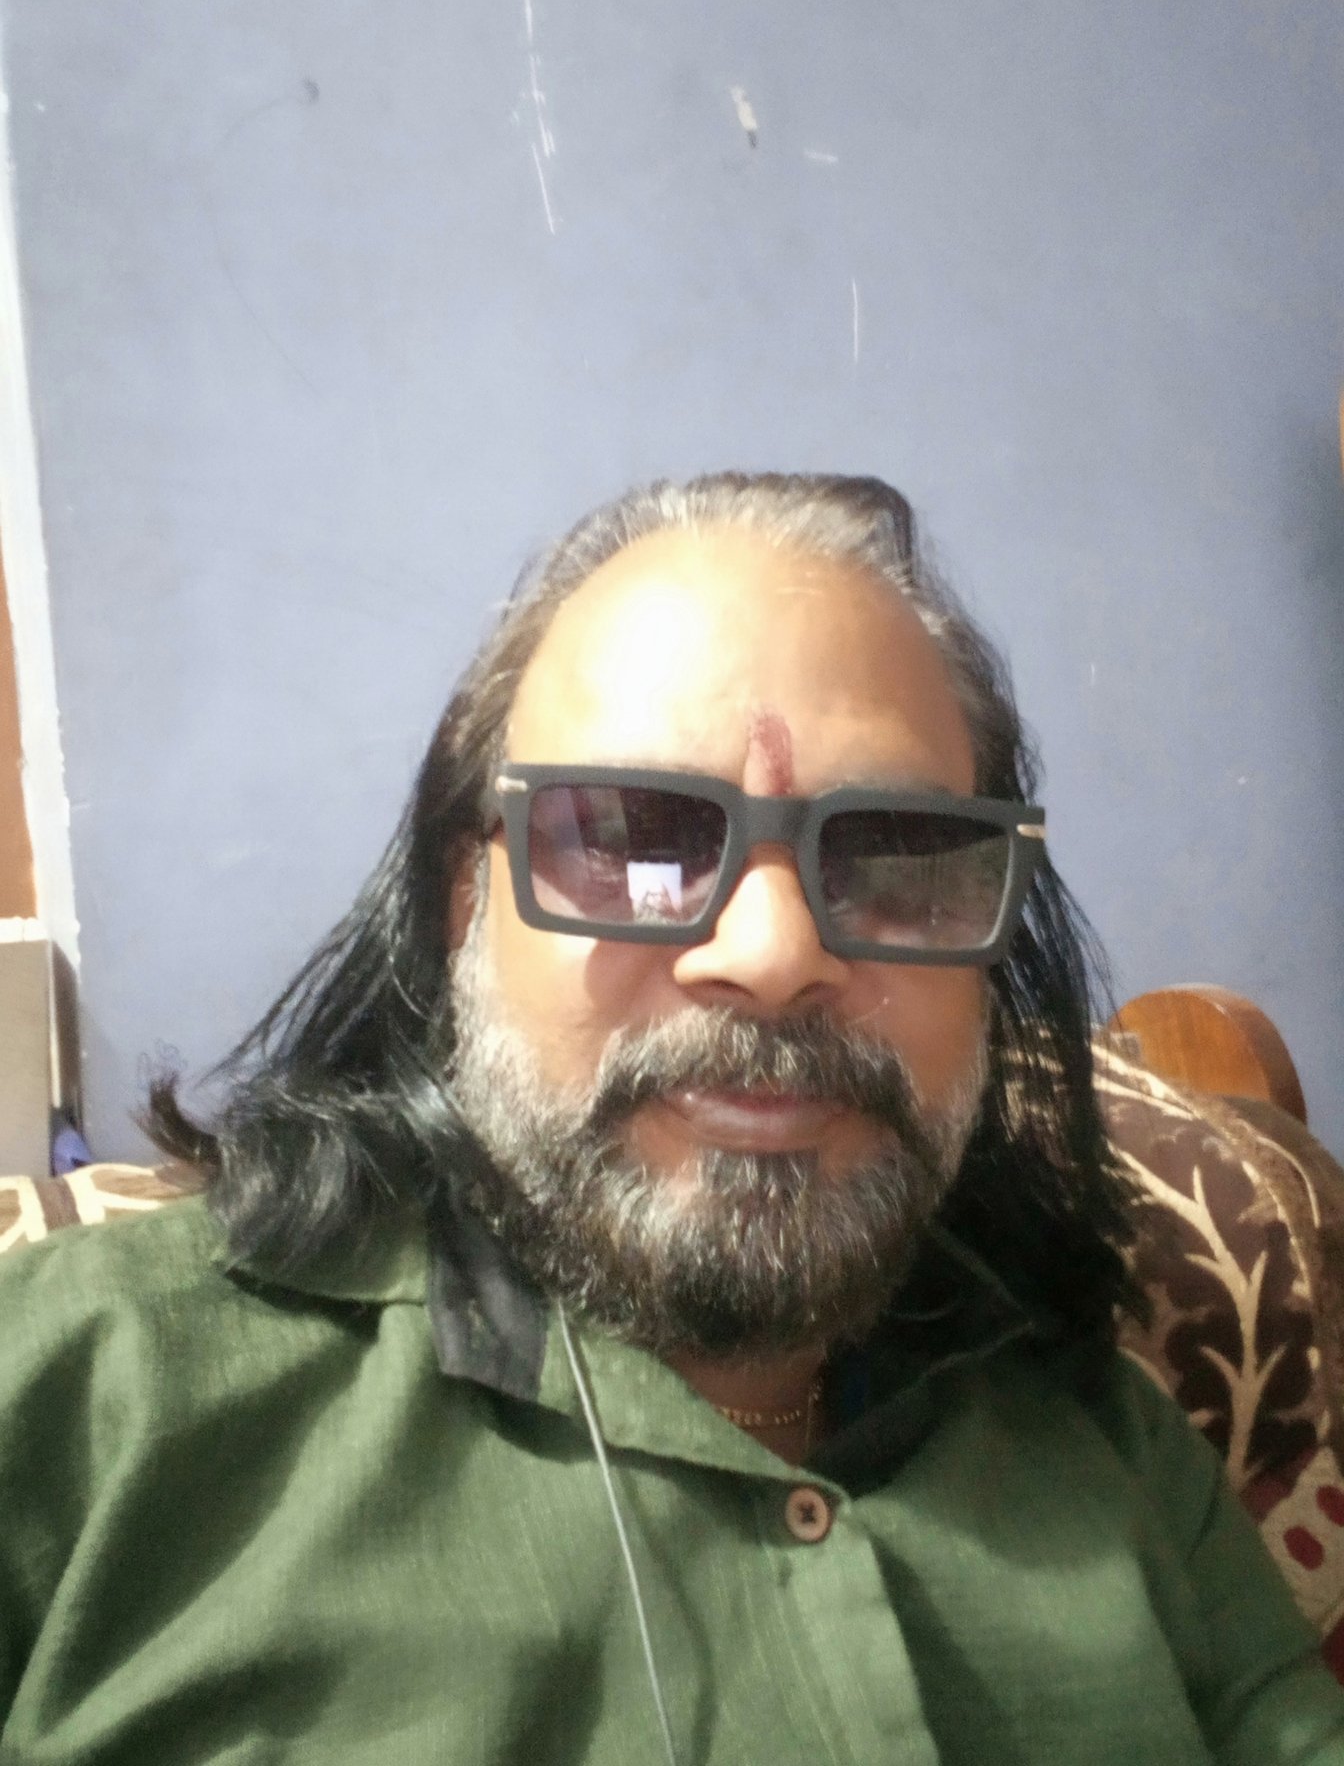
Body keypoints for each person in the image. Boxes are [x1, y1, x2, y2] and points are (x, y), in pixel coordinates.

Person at [1, 471, 1341, 1765]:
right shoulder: (83, 1395)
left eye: (893, 855)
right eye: (634, 836)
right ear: (467, 901)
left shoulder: (1111, 1444)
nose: (774, 953)